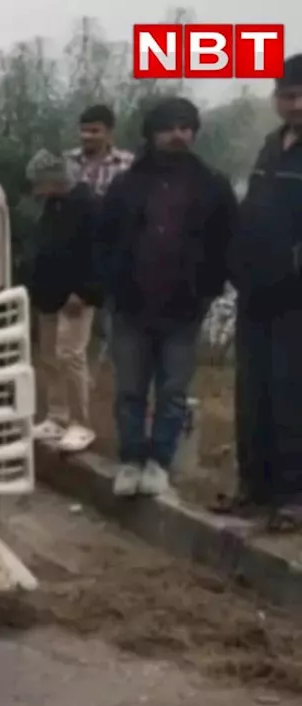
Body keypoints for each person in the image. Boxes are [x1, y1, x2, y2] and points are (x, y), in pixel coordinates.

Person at [98, 97, 237, 497]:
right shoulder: (126, 184)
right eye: (170, 127)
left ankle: (159, 461)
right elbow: (104, 239)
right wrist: (110, 285)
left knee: (173, 392)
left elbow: (228, 242)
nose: (179, 135)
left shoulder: (213, 184)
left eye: (186, 127)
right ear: (152, 133)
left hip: (184, 308)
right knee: (129, 391)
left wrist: (209, 291)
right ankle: (130, 460)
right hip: (131, 307)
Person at [226, 53, 302, 530]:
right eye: (287, 96)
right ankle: (256, 488)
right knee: (253, 394)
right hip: (255, 293)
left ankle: (294, 497)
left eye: (300, 96)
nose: (294, 105)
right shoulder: (271, 147)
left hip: (296, 298)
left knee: (292, 393)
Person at [24, 150, 102, 452]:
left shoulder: (88, 205)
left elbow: (96, 255)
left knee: (71, 355)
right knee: (49, 357)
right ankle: (57, 416)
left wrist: (83, 293)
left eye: (39, 183)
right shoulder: (53, 206)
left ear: (54, 180)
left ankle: (82, 423)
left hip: (75, 297)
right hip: (48, 294)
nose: (35, 190)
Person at [66, 105, 135, 372]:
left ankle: (118, 381)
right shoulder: (67, 162)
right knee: (73, 339)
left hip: (116, 252)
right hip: (79, 255)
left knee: (117, 325)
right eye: (83, 131)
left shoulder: (128, 164)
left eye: (94, 131)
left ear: (109, 133)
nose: (87, 137)